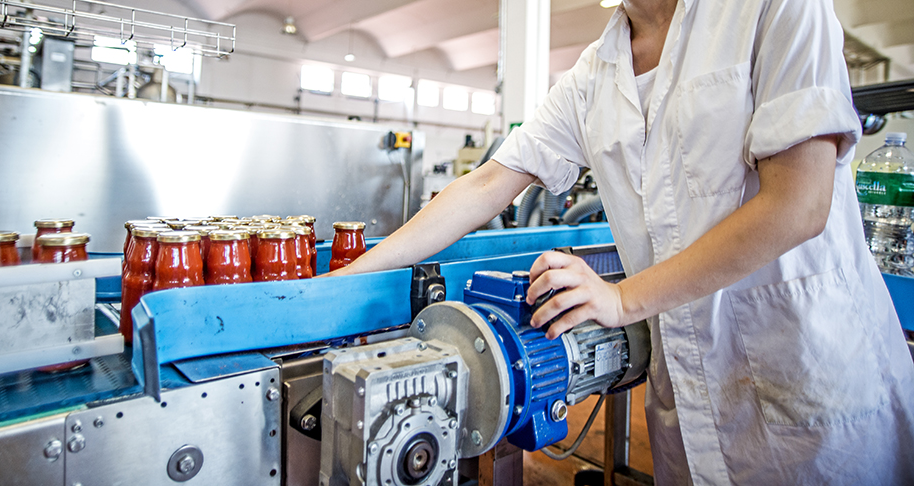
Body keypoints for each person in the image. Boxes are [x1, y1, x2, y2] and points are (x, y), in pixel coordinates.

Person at [332, 0, 914, 483]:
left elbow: (798, 205)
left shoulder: (770, 8)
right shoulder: (594, 73)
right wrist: (346, 278)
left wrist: (622, 299)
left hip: (811, 377)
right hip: (690, 394)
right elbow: (488, 182)